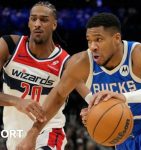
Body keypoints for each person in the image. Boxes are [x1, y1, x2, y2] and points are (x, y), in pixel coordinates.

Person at [17, 12, 141, 150]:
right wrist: (32, 134)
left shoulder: (140, 55)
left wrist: (124, 97)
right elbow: (59, 95)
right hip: (122, 135)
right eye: (89, 40)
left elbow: (121, 98)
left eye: (98, 39)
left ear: (116, 38)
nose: (92, 46)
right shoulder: (82, 62)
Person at [0, 1, 90, 150]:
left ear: (54, 25)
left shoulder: (65, 62)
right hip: (15, 133)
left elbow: (90, 96)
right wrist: (17, 101)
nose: (37, 24)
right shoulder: (9, 46)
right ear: (28, 23)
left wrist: (92, 109)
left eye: (43, 19)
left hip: (48, 131)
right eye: (33, 19)